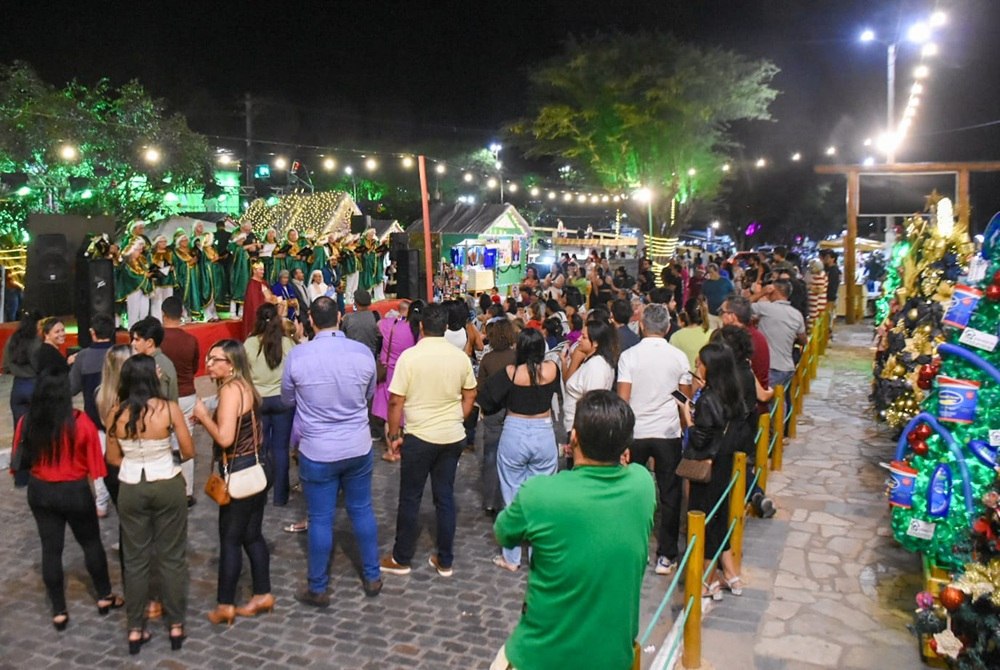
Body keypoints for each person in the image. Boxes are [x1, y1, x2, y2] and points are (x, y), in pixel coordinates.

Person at [492, 390, 655, 670]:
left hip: (541, 657)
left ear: (574, 437)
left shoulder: (540, 493)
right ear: (624, 448)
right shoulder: (642, 485)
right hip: (613, 660)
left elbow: (504, 531)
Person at [281, 297, 381, 605]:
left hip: (318, 449)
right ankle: (372, 575)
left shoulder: (298, 356)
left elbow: (287, 399)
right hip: (357, 444)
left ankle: (318, 586)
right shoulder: (362, 353)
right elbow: (368, 393)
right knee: (361, 510)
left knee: (320, 518)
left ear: (310, 320)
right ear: (339, 317)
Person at [11, 368, 121, 632]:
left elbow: (18, 459)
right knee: (91, 543)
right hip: (74, 490)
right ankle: (104, 595)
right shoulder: (80, 422)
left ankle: (59, 610)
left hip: (40, 490)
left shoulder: (27, 422)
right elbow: (97, 466)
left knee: (50, 549)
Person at [105, 355, 194, 654]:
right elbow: (189, 450)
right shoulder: (168, 409)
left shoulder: (116, 412)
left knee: (135, 560)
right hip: (166, 481)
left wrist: (135, 459)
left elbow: (112, 458)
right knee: (172, 557)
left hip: (131, 484)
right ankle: (176, 624)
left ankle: (135, 628)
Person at [381, 302, 477, 578]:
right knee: (445, 497)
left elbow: (396, 401)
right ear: (445, 327)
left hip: (420, 435)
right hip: (451, 435)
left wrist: (394, 434)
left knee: (410, 498)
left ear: (421, 326)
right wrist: (457, 417)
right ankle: (445, 559)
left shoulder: (410, 358)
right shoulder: (459, 357)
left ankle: (402, 557)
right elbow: (470, 393)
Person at [192, 340, 274, 625]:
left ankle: (225, 604)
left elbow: (225, 438)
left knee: (230, 539)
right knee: (252, 535)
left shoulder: (230, 390)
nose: (209, 364)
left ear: (231, 365)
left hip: (240, 471)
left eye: (216, 359)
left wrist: (204, 417)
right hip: (256, 467)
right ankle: (263, 593)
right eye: (209, 357)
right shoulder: (244, 386)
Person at [617, 303, 691, 575]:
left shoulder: (629, 357)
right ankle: (666, 554)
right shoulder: (679, 357)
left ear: (641, 325)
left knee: (630, 490)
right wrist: (680, 424)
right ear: (668, 327)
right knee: (670, 494)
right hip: (667, 432)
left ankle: (633, 546)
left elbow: (623, 399)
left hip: (636, 432)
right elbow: (684, 397)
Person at [677, 343, 746, 600]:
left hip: (706, 466)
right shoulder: (732, 394)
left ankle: (708, 579)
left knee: (704, 518)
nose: (697, 366)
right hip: (724, 463)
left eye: (700, 363)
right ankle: (730, 573)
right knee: (719, 516)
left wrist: (687, 416)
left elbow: (699, 439)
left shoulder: (708, 399)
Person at [489, 328, 562, 572]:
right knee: (542, 498)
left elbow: (487, 398)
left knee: (511, 495)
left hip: (515, 431)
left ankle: (511, 558)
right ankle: (537, 556)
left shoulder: (511, 373)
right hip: (543, 432)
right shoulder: (552, 370)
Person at [244, 303, 296, 506]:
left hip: (259, 400)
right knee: (281, 449)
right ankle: (281, 496)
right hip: (282, 399)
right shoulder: (287, 343)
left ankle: (261, 492)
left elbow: (244, 373)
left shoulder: (250, 343)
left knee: (261, 448)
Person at [68, 313, 116, 516]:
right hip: (120, 417)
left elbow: (71, 388)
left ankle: (101, 504)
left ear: (92, 332)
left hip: (94, 420)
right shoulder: (121, 353)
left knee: (99, 463)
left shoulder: (83, 357)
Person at [560, 318, 618, 465]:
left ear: (596, 343)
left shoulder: (596, 366)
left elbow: (592, 404)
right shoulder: (592, 361)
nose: (579, 339)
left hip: (582, 429)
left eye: (584, 337)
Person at [159, 297, 200, 505]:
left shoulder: (158, 341)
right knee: (186, 443)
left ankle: (166, 488)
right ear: (181, 314)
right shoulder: (191, 340)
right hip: (187, 396)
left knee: (163, 443)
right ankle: (187, 491)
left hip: (164, 398)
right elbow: (194, 368)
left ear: (163, 315)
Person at [372, 300, 421, 463]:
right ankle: (403, 445)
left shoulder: (389, 325)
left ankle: (392, 450)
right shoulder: (417, 330)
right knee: (406, 412)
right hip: (410, 373)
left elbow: (378, 324)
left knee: (390, 414)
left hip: (390, 373)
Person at [477, 318, 517, 515]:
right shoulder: (516, 357)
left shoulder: (488, 359)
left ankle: (490, 500)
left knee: (491, 456)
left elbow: (480, 387)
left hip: (492, 410)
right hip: (513, 409)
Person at [751, 280, 807, 403]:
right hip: (788, 366)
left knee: (769, 403)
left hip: (772, 366)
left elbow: (740, 307)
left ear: (775, 291)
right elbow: (803, 339)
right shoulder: (796, 314)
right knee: (782, 401)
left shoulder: (765, 308)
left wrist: (761, 293)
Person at [720, 295, 771, 413]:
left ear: (732, 317)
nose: (721, 317)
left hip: (744, 407)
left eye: (722, 312)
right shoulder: (758, 336)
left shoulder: (738, 341)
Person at [3, 312, 41, 455]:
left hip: (18, 387)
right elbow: (39, 365)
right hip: (35, 385)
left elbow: (5, 366)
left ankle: (19, 462)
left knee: (19, 431)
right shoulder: (36, 341)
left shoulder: (12, 339)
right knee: (38, 429)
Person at [129, 317, 178, 402]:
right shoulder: (160, 361)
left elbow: (158, 402)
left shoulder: (156, 365)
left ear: (149, 342)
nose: (132, 343)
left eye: (137, 340)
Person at [670, 296, 714, 373]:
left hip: (683, 378)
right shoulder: (713, 334)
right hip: (706, 378)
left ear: (686, 314)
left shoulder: (676, 336)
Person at [242, 261, 279, 338]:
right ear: (254, 271)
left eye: (263, 270)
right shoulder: (252, 284)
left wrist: (273, 298)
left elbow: (269, 294)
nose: (263, 272)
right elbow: (254, 303)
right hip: (261, 314)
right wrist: (266, 301)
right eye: (260, 270)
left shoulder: (264, 282)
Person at [342, 289, 380, 359]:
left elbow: (343, 334)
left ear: (355, 302)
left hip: (352, 354)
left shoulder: (348, 318)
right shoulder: (376, 316)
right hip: (370, 354)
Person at [821, 249, 841, 338]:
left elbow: (833, 286)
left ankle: (828, 333)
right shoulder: (827, 269)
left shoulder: (834, 270)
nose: (826, 259)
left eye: (828, 257)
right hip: (827, 296)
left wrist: (830, 297)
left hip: (830, 297)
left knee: (829, 315)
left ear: (833, 259)